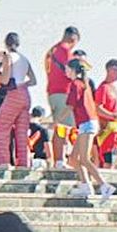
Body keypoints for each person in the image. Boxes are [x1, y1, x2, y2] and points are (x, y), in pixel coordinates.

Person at [62, 58, 110, 200]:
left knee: (84, 159)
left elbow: (70, 106)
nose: (65, 71)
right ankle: (86, 186)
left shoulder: (76, 84)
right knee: (73, 159)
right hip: (87, 123)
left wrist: (57, 120)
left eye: (67, 69)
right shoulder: (85, 83)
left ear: (72, 70)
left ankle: (104, 185)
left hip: (87, 123)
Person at [0, 33, 36, 168]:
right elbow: (33, 81)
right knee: (22, 132)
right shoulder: (24, 59)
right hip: (25, 94)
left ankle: (3, 161)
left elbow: (5, 80)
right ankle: (23, 163)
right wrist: (22, 84)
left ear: (6, 43)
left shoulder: (7, 56)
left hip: (13, 94)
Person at [44, 27, 79, 167]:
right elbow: (70, 71)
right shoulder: (65, 50)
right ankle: (59, 160)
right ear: (73, 39)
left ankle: (60, 159)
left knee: (61, 126)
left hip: (53, 91)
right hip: (62, 92)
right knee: (63, 126)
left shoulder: (52, 50)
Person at [93, 59, 117, 169]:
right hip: (107, 131)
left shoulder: (113, 88)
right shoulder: (103, 88)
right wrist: (113, 116)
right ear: (109, 69)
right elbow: (98, 109)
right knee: (107, 161)